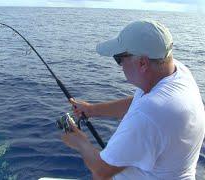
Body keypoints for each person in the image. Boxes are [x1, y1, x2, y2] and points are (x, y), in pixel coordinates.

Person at [61, 20, 205, 179]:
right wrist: (92, 110)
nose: (120, 66)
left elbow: (101, 171)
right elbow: (139, 101)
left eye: (119, 59)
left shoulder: (149, 114)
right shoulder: (177, 73)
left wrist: (80, 142)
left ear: (143, 63)